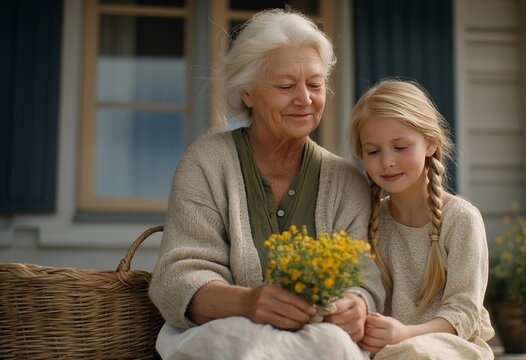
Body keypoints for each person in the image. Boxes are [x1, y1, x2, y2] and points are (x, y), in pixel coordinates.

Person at [148, 9, 384, 359]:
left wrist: (356, 305)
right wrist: (247, 302)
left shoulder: (347, 182)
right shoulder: (206, 163)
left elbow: (364, 280)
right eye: (286, 86)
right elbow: (176, 277)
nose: (305, 99)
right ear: (247, 93)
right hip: (221, 336)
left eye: (315, 84)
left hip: (319, 341)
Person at [349, 79, 495, 359]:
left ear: (430, 143)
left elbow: (463, 313)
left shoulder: (461, 219)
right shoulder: (368, 220)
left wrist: (404, 335)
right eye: (373, 151)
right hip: (387, 349)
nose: (387, 161)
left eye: (400, 147)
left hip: (451, 349)